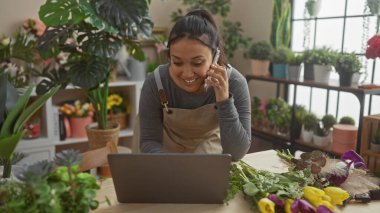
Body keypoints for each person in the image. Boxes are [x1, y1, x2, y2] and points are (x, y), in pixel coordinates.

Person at [138, 9, 251, 161]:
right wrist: (173, 167)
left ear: (215, 57)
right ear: (169, 56)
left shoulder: (235, 83)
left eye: (197, 63)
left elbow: (237, 153)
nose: (187, 73)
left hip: (208, 152)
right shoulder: (155, 82)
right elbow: (149, 141)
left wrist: (224, 100)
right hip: (163, 157)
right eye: (177, 62)